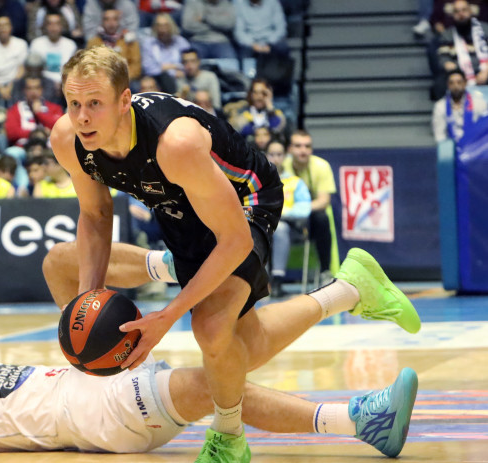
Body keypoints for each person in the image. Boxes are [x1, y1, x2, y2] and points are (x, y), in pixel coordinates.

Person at [50, 47, 420, 461]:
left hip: (247, 200)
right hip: (181, 209)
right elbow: (96, 215)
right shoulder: (68, 139)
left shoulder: (176, 143)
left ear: (124, 101)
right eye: (74, 103)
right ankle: (350, 289)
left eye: (94, 104)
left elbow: (236, 240)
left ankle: (228, 438)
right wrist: (87, 304)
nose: (82, 116)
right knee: (243, 345)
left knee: (210, 329)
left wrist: (167, 317)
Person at [0, 222, 419, 458]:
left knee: (61, 264)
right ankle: (358, 420)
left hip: (94, 369)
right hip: (100, 418)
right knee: (204, 381)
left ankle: (181, 266)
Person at [283, 130, 338, 284]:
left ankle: (325, 271)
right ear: (289, 149)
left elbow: (323, 201)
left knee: (322, 217)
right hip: (284, 218)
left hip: (309, 219)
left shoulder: (321, 166)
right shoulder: (281, 166)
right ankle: (272, 279)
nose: (303, 150)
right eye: (298, 146)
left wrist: (298, 210)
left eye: (307, 146)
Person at [263, 140, 310, 297]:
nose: (275, 158)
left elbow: (305, 208)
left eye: (279, 154)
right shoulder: (258, 181)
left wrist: (282, 213)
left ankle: (277, 280)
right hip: (264, 225)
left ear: (285, 157)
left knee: (280, 229)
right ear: (265, 155)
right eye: (272, 154)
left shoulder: (295, 182)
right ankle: (260, 280)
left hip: (290, 228)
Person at [86, 10, 142, 84]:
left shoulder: (129, 41)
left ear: (120, 21)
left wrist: (122, 78)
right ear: (102, 22)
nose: (111, 23)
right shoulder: (93, 43)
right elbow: (89, 65)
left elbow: (136, 66)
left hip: (126, 80)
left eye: (115, 19)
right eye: (107, 19)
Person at [5, 76, 63, 146]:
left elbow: (60, 129)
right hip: (24, 147)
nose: (33, 92)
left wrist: (39, 113)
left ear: (41, 90)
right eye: (30, 88)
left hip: (49, 148)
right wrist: (39, 133)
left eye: (36, 88)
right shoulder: (15, 109)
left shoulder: (54, 108)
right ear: (24, 91)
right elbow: (11, 133)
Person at [432, 68, 488, 142]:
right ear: (448, 85)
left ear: (465, 83)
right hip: (451, 147)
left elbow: (483, 130)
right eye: (452, 83)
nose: (456, 86)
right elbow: (439, 135)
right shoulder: (440, 106)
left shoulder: (480, 104)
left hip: (474, 146)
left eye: (459, 82)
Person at [140, 13, 190, 95]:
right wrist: (173, 69)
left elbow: (188, 63)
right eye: (159, 25)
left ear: (171, 26)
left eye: (165, 25)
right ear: (155, 27)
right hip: (156, 79)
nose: (162, 29)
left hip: (180, 78)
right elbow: (148, 68)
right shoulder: (149, 43)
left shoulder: (181, 42)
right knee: (163, 78)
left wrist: (165, 67)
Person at [28, 13, 78, 85]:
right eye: (50, 24)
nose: (53, 28)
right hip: (42, 84)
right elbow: (33, 70)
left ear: (61, 26)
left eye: (57, 24)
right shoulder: (36, 44)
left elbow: (72, 71)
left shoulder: (70, 45)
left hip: (64, 84)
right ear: (45, 26)